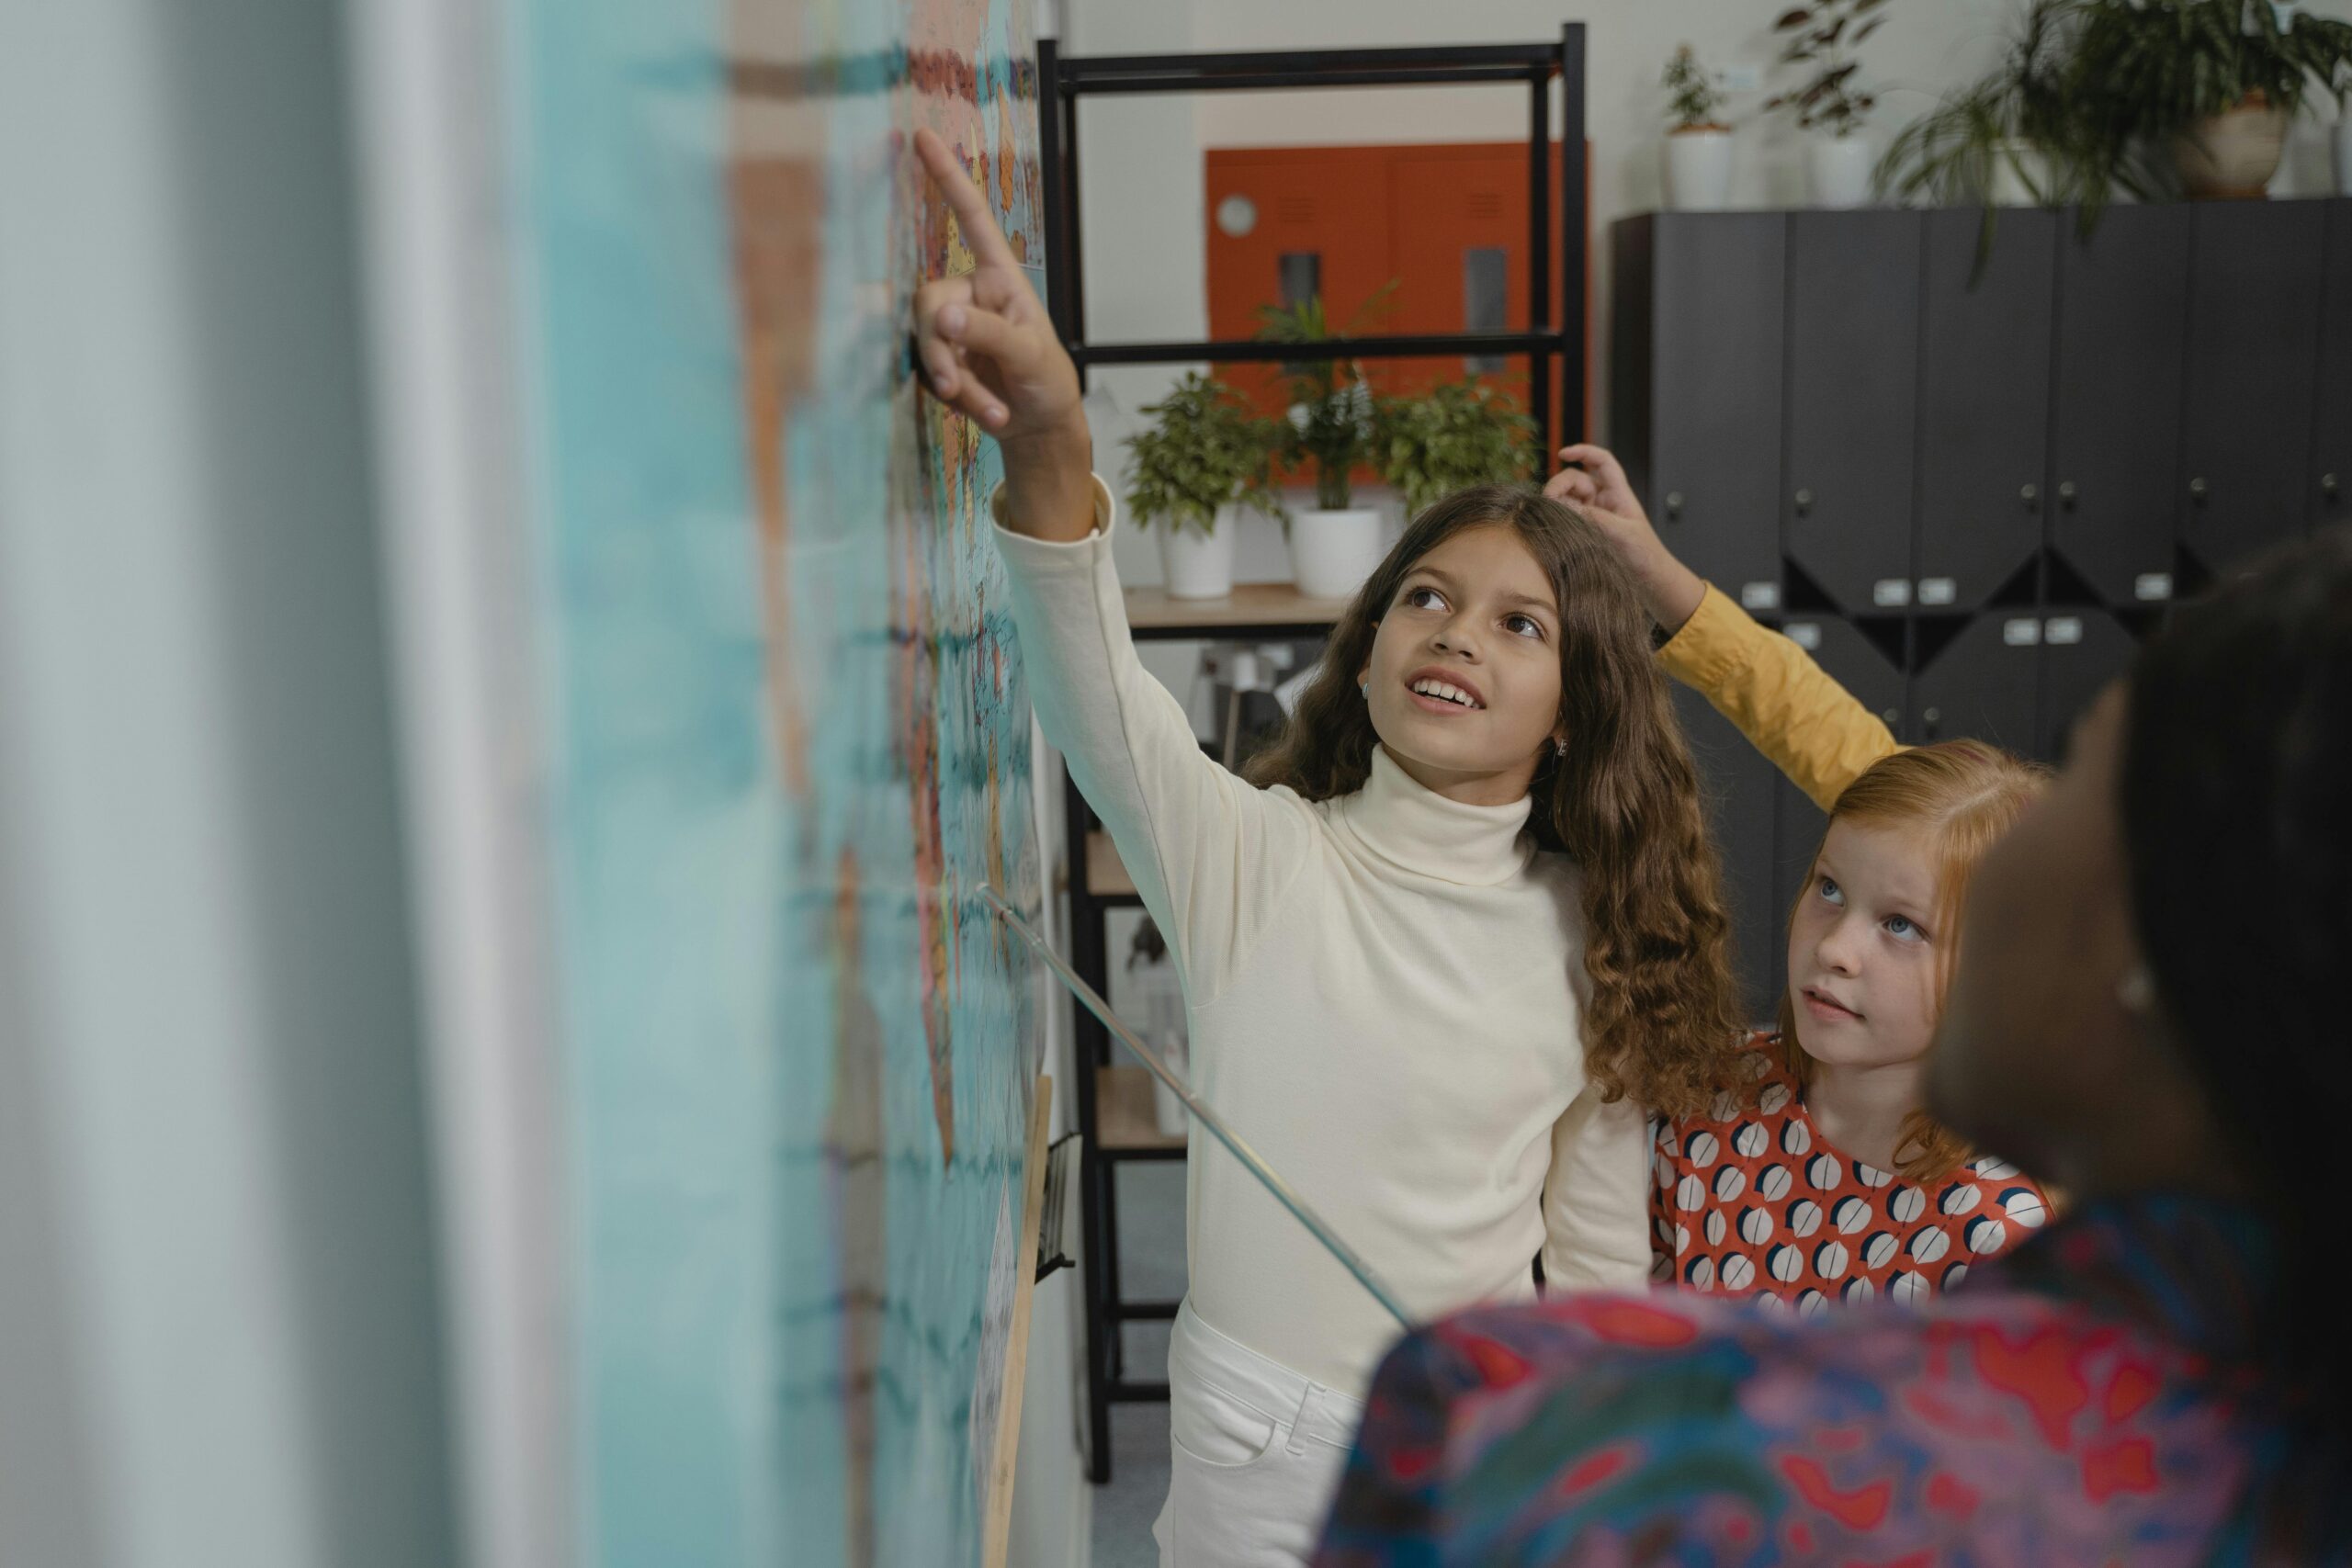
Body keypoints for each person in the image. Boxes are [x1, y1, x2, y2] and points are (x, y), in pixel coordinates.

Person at [908, 130, 1745, 1567]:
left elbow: (1599, 1257)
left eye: (1518, 622)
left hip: (1477, 1434)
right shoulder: (1262, 857)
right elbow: (1100, 696)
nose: (1456, 634)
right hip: (1262, 1435)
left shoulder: (1597, 928)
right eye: (1426, 595)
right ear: (1365, 657)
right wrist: (1048, 439)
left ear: (1574, 713)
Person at [1314, 522, 2352, 1564]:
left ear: (2155, 953)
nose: (1845, 948)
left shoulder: (1492, 1429)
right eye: (1829, 892)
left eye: (2080, 772)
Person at [1542, 446, 2054, 1308]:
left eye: (1901, 925)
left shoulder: (1996, 1237)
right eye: (1827, 890)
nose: (1838, 949)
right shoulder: (1709, 1103)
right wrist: (1659, 578)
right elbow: (1812, 722)